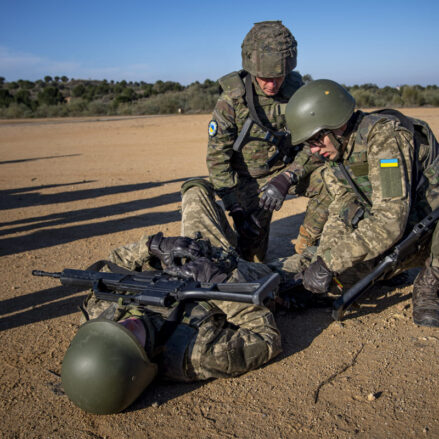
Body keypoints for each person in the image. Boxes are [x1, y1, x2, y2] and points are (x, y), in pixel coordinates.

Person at [61, 187, 284, 414]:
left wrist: (153, 247)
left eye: (116, 327)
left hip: (197, 252)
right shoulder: (197, 353)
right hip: (246, 277)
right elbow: (266, 339)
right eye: (131, 337)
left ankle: (246, 244)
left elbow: (114, 262)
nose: (127, 324)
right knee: (315, 270)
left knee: (195, 188)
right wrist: (223, 280)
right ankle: (252, 248)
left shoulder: (99, 318)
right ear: (142, 364)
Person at [281, 79, 439, 328]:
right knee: (333, 285)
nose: (312, 151)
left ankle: (431, 280)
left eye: (315, 141)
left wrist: (330, 262)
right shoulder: (337, 152)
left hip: (427, 226)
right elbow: (342, 208)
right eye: (308, 144)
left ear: (335, 124)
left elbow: (389, 222)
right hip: (399, 227)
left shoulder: (386, 140)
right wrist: (323, 261)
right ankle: (391, 271)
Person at [206, 20, 323, 262]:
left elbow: (316, 145)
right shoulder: (232, 101)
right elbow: (217, 160)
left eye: (278, 77)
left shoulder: (297, 92)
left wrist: (287, 176)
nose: (272, 84)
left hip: (288, 170)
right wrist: (235, 208)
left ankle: (307, 252)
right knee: (252, 253)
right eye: (265, 78)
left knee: (333, 182)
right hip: (250, 181)